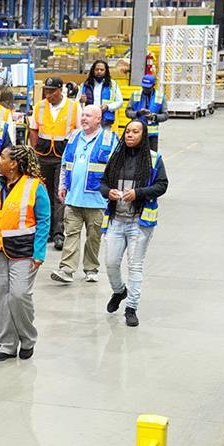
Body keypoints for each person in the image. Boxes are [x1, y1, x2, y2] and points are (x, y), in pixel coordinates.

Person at [0, 145, 50, 361]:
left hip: (24, 250)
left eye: (2, 157)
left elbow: (44, 221)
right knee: (0, 297)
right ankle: (6, 344)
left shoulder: (35, 186)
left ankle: (28, 338)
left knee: (19, 295)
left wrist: (39, 252)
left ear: (13, 164)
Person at [100, 120, 168, 327]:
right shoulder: (115, 157)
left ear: (143, 135)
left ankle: (131, 308)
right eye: (128, 131)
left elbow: (162, 185)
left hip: (139, 222)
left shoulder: (154, 159)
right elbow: (103, 183)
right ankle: (119, 291)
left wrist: (139, 193)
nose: (130, 135)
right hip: (116, 219)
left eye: (135, 132)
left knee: (135, 265)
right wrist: (108, 192)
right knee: (111, 263)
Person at [50, 105, 118, 284]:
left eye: (88, 116)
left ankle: (91, 269)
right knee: (71, 234)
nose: (84, 118)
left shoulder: (110, 139)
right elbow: (65, 164)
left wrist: (111, 193)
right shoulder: (74, 137)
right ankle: (67, 270)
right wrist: (62, 185)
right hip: (73, 198)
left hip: (97, 200)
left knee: (93, 237)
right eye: (83, 115)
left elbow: (116, 169)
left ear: (98, 119)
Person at [28, 77, 81, 251]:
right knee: (43, 193)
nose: (48, 95)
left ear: (60, 90)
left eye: (52, 91)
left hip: (62, 156)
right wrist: (34, 150)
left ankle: (58, 233)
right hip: (43, 155)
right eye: (47, 91)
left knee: (60, 193)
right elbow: (33, 129)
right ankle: (47, 231)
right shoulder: (40, 106)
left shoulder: (74, 107)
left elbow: (78, 132)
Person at [126, 74, 168, 152]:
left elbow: (165, 115)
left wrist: (154, 117)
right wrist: (138, 113)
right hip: (136, 134)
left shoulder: (160, 96)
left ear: (153, 85)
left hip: (152, 136)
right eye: (144, 87)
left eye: (148, 87)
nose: (145, 89)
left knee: (152, 157)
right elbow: (128, 112)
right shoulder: (135, 95)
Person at [77, 60, 123, 130]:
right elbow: (76, 103)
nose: (99, 71)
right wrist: (80, 101)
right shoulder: (85, 85)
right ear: (93, 70)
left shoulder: (113, 85)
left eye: (102, 70)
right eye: (97, 69)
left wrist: (108, 107)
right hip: (88, 121)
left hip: (105, 121)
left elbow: (120, 102)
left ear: (106, 71)